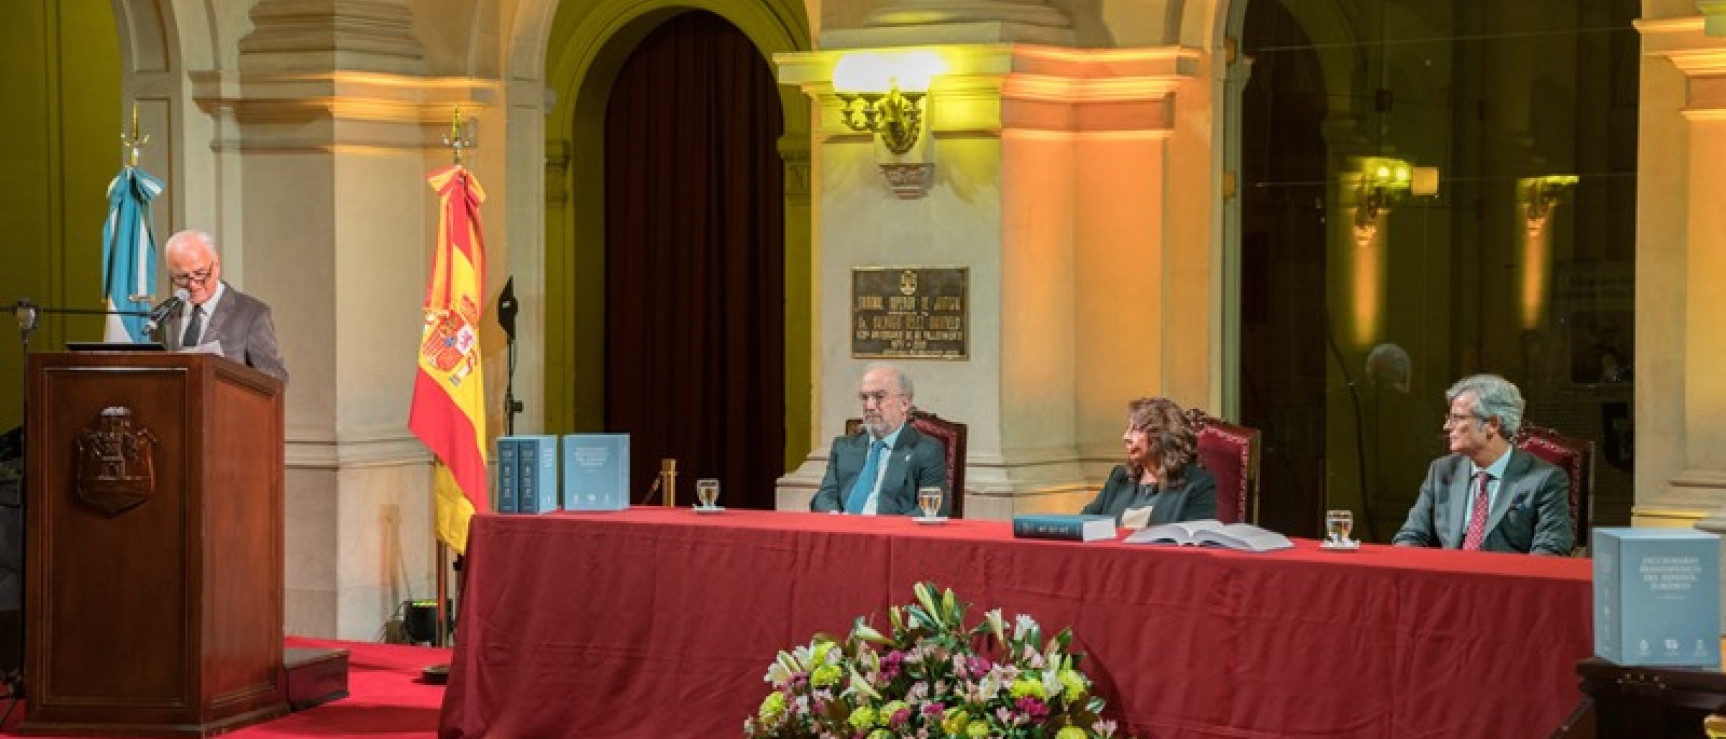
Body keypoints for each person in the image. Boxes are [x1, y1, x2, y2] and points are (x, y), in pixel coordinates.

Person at [1392, 374, 1572, 555]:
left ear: (1492, 424)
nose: (1447, 426)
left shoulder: (1545, 479)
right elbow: (1410, 535)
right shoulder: (1442, 471)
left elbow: (1551, 549)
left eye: (1458, 418)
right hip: (1449, 580)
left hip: (1506, 581)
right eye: (1449, 417)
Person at [810, 364, 948, 516]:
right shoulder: (844, 447)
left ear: (904, 404)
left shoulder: (926, 450)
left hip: (890, 536)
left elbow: (932, 509)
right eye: (864, 397)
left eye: (879, 397)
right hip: (843, 532)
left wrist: (884, 531)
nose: (869, 406)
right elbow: (824, 497)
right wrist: (835, 518)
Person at [161, 230, 290, 384]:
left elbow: (275, 380)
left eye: (200, 273)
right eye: (182, 277)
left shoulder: (251, 314)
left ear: (216, 265)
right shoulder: (166, 315)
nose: (192, 284)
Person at [1081, 397, 1217, 527]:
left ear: (1161, 437)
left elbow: (1194, 541)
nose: (1125, 437)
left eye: (1135, 429)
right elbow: (1085, 522)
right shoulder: (1120, 477)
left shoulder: (1198, 484)